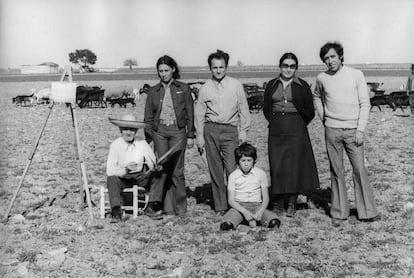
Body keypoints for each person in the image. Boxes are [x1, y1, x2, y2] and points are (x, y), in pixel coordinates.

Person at [313, 41, 379, 226]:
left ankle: (367, 212)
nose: (330, 61)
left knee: (359, 169)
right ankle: (339, 212)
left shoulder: (356, 75)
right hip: (332, 130)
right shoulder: (321, 78)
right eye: (326, 59)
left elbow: (365, 103)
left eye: (333, 56)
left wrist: (360, 130)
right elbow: (316, 96)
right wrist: (323, 116)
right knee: (336, 171)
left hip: (353, 131)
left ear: (340, 56)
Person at [194, 49, 251, 215]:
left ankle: (236, 204)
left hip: (230, 130)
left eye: (221, 67)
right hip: (210, 130)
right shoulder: (205, 88)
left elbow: (243, 108)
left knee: (232, 168)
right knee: (215, 169)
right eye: (214, 67)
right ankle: (220, 206)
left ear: (226, 67)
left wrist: (244, 130)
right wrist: (199, 135)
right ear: (210, 68)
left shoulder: (236, 85)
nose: (218, 70)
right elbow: (199, 113)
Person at [263, 52, 320, 217]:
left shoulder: (302, 85)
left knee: (294, 164)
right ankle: (279, 201)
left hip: (297, 127)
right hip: (276, 128)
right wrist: (276, 121)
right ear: (280, 66)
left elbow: (309, 111)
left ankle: (292, 201)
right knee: (278, 164)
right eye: (285, 66)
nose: (288, 69)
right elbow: (267, 108)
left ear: (296, 68)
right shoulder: (272, 84)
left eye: (292, 66)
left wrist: (298, 123)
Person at [144, 55, 195, 216]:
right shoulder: (153, 91)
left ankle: (181, 208)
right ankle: (163, 206)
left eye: (166, 70)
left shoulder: (184, 88)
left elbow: (190, 113)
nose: (163, 74)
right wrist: (149, 137)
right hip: (160, 132)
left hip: (178, 131)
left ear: (173, 69)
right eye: (160, 71)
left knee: (177, 171)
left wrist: (191, 134)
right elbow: (148, 117)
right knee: (161, 168)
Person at [220, 143, 281, 230]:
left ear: (254, 161)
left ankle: (253, 222)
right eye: (243, 160)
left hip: (257, 206)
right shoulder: (233, 176)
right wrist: (244, 212)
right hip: (239, 207)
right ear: (238, 162)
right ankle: (243, 224)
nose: (246, 164)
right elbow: (231, 200)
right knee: (227, 225)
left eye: (249, 160)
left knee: (274, 222)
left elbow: (266, 198)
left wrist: (260, 212)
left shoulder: (260, 174)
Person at [106, 114, 157, 220]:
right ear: (120, 130)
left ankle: (150, 206)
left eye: (132, 130)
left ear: (136, 131)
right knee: (112, 178)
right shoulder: (116, 145)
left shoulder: (141, 143)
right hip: (123, 178)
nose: (128, 133)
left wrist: (154, 167)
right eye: (125, 129)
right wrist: (125, 169)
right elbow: (110, 170)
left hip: (139, 177)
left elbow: (152, 163)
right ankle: (116, 210)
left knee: (158, 176)